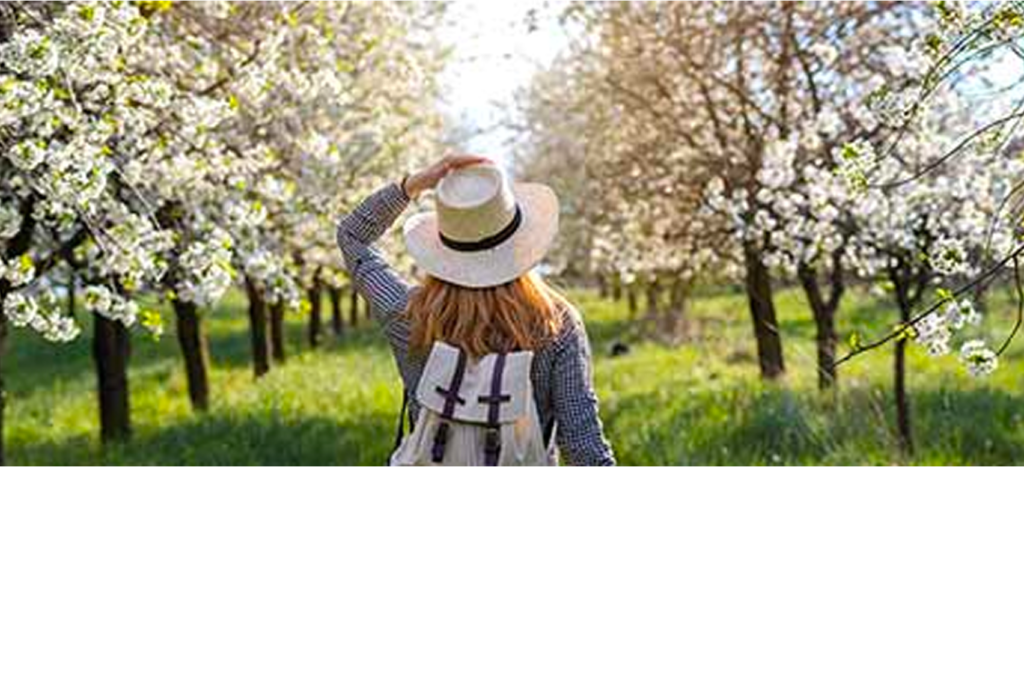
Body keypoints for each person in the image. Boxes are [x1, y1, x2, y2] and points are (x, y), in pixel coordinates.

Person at [337, 154, 615, 467]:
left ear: (443, 248)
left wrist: (413, 184)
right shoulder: (554, 323)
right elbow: (584, 448)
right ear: (520, 243)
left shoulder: (410, 316)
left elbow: (352, 237)